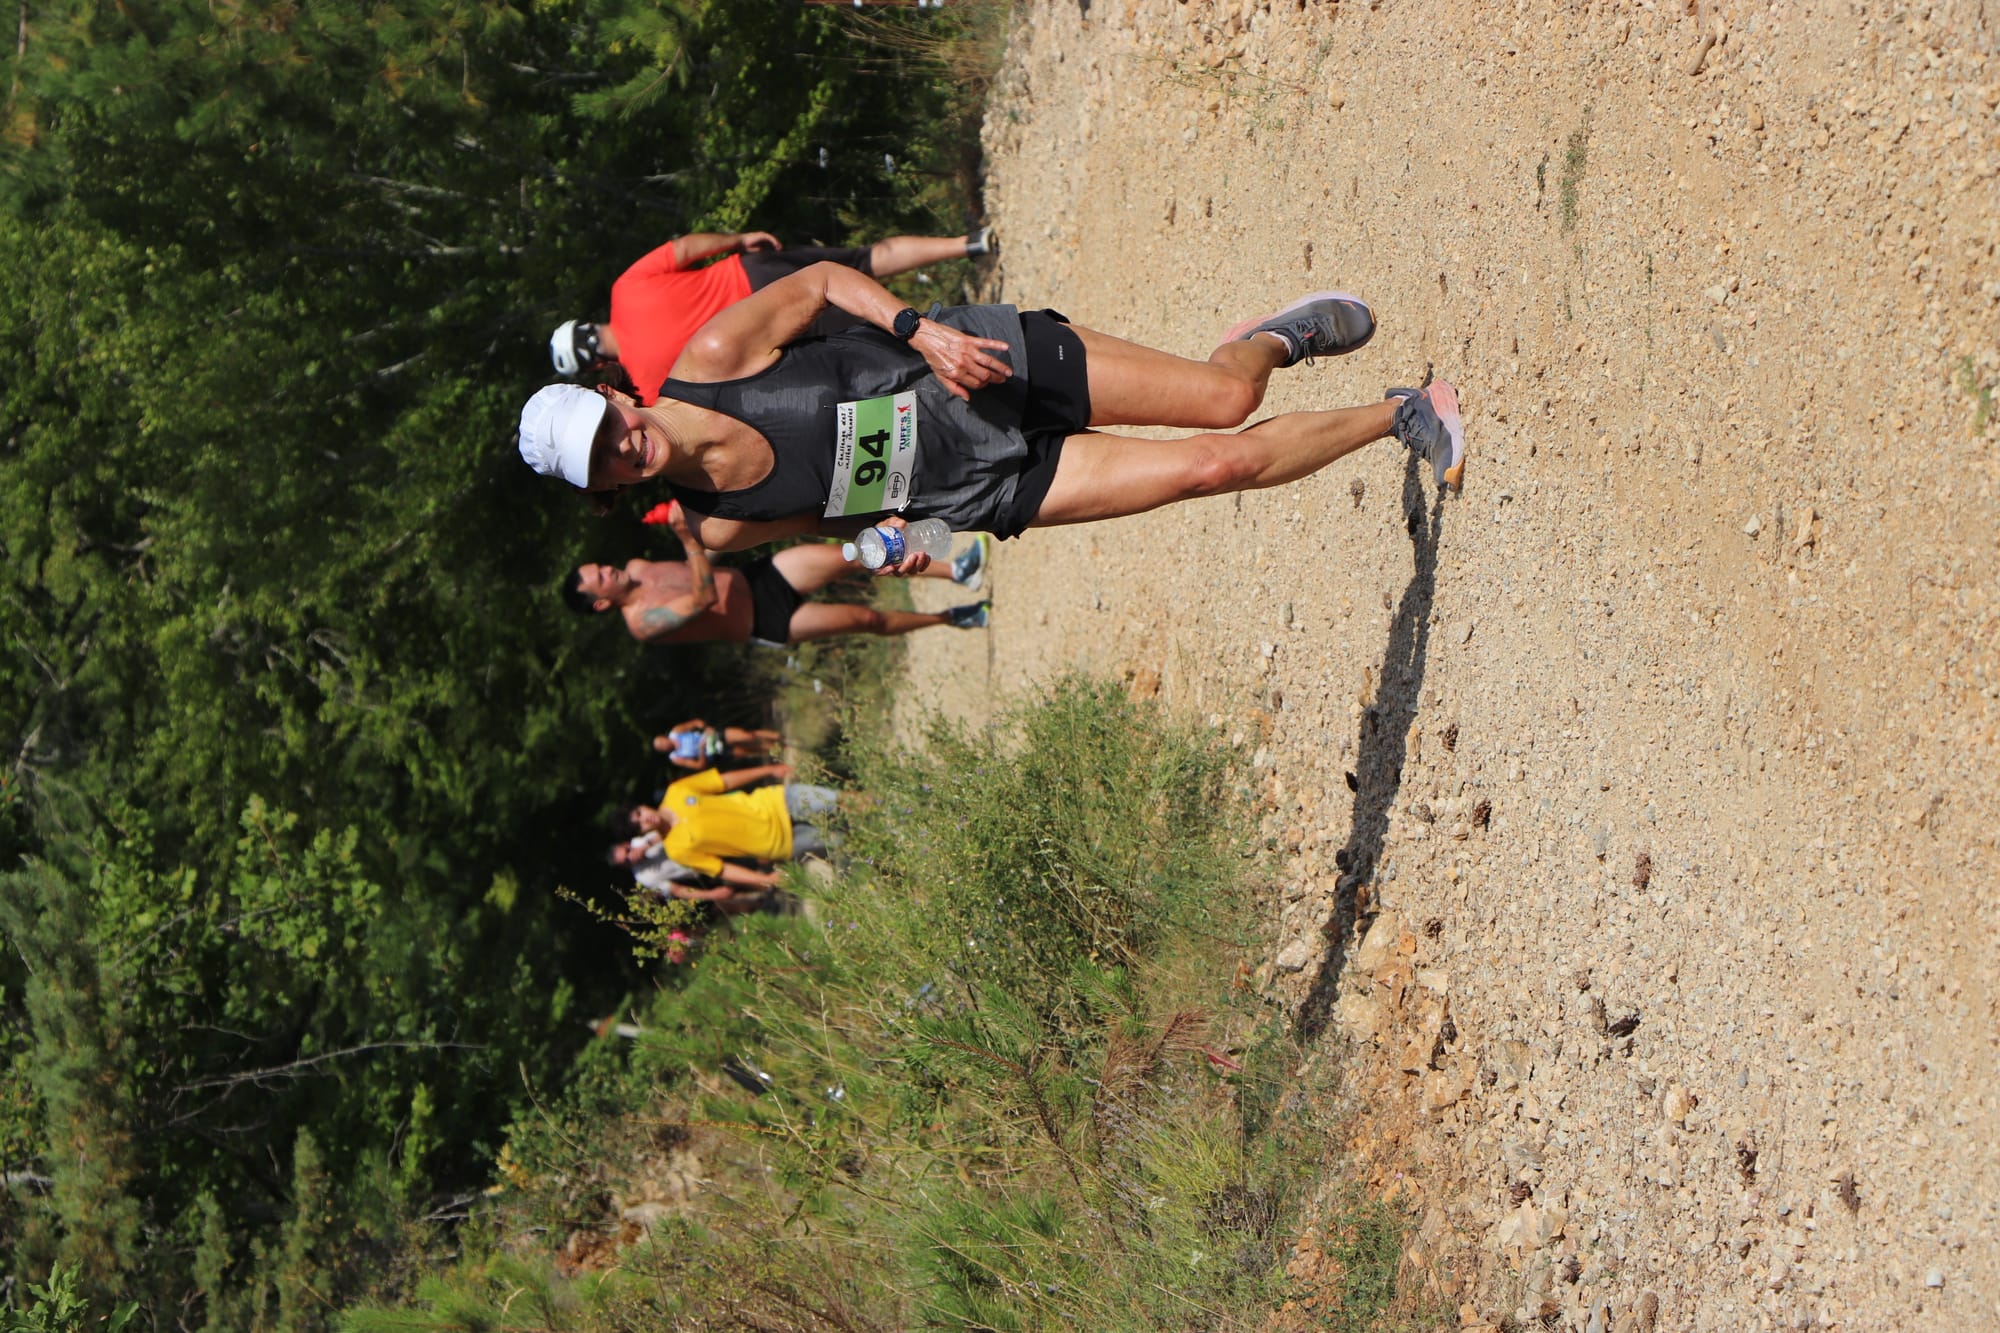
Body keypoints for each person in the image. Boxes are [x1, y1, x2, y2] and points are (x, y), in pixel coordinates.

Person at [517, 265, 1466, 563]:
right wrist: (909, 539)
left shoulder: (710, 361)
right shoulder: (720, 527)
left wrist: (918, 330)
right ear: (598, 488)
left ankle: (1271, 339)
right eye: (599, 463)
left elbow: (812, 285)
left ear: (610, 396)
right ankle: (1404, 415)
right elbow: (844, 518)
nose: (620, 448)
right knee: (1207, 467)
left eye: (605, 428)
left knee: (1227, 397)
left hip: (982, 367)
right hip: (981, 485)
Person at [549, 226, 997, 404]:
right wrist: (739, 239)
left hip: (772, 341)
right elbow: (684, 248)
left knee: (880, 342)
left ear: (594, 367)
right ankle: (969, 243)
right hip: (756, 274)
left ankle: (974, 336)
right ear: (586, 327)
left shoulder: (644, 390)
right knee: (864, 262)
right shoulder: (624, 289)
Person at [564, 497, 989, 646]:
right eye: (600, 577)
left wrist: (704, 533)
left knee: (862, 555)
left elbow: (702, 569)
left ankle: (958, 572)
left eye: (599, 566)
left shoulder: (638, 566)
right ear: (601, 602)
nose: (608, 569)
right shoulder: (642, 623)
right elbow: (702, 599)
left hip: (759, 576)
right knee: (866, 619)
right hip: (766, 621)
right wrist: (690, 542)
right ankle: (952, 618)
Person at [632, 762, 841, 888]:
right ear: (641, 834)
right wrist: (763, 879)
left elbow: (723, 781)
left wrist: (768, 769)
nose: (645, 820)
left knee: (843, 802)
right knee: (843, 841)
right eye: (640, 825)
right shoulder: (676, 851)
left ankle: (873, 802)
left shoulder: (676, 791)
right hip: (780, 843)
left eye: (639, 813)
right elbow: (721, 869)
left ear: (642, 805)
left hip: (775, 801)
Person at [655, 719, 783, 771]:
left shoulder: (676, 731)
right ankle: (777, 749)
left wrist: (706, 728)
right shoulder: (676, 758)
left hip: (714, 736)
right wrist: (701, 750)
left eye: (661, 741)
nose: (663, 745)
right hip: (715, 752)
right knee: (748, 751)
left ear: (664, 737)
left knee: (746, 735)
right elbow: (699, 765)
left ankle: (776, 736)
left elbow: (696, 722)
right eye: (661, 747)